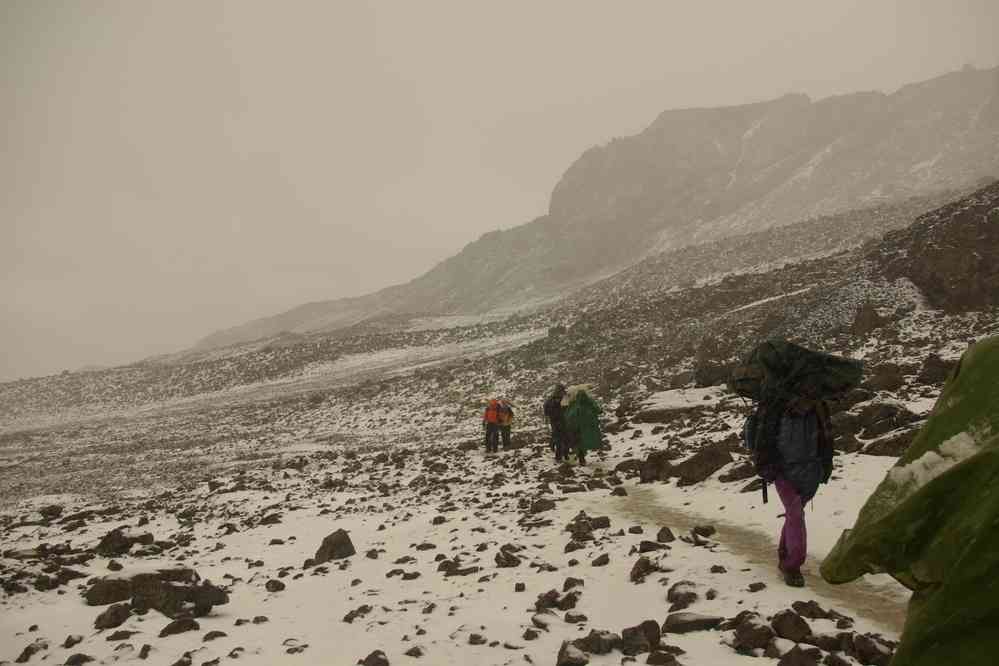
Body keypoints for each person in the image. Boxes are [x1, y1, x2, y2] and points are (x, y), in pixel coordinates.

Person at [760, 399, 834, 587]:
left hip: (810, 472)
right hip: (783, 472)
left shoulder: (818, 406)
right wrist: (768, 467)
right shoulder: (778, 405)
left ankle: (784, 555)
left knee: (794, 514)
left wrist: (825, 467)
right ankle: (792, 565)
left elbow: (826, 438)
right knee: (795, 513)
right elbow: (765, 439)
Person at [561, 384, 603, 466]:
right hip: (587, 426)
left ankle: (580, 458)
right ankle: (581, 457)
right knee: (583, 441)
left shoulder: (574, 404)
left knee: (577, 442)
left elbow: (568, 415)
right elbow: (598, 410)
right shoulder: (590, 402)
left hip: (576, 427)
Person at [543, 384, 567, 461]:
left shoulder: (562, 398)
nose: (563, 392)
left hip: (560, 421)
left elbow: (546, 408)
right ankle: (559, 456)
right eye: (562, 390)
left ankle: (561, 455)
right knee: (559, 439)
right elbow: (546, 409)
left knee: (561, 438)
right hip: (557, 421)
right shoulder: (553, 399)